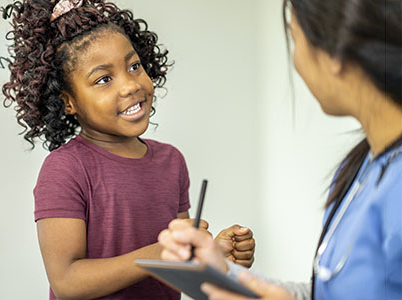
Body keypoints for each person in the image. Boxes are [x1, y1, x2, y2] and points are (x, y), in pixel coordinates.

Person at [0, 0, 257, 299]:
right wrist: (158, 253)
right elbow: (67, 282)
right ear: (68, 101)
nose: (129, 86)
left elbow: (175, 266)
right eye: (104, 79)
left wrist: (214, 257)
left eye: (134, 66)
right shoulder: (66, 168)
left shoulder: (171, 161)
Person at [157, 0, 402, 299]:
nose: (296, 60)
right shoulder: (361, 166)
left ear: (335, 53)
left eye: (294, 37)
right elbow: (330, 293)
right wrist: (223, 273)